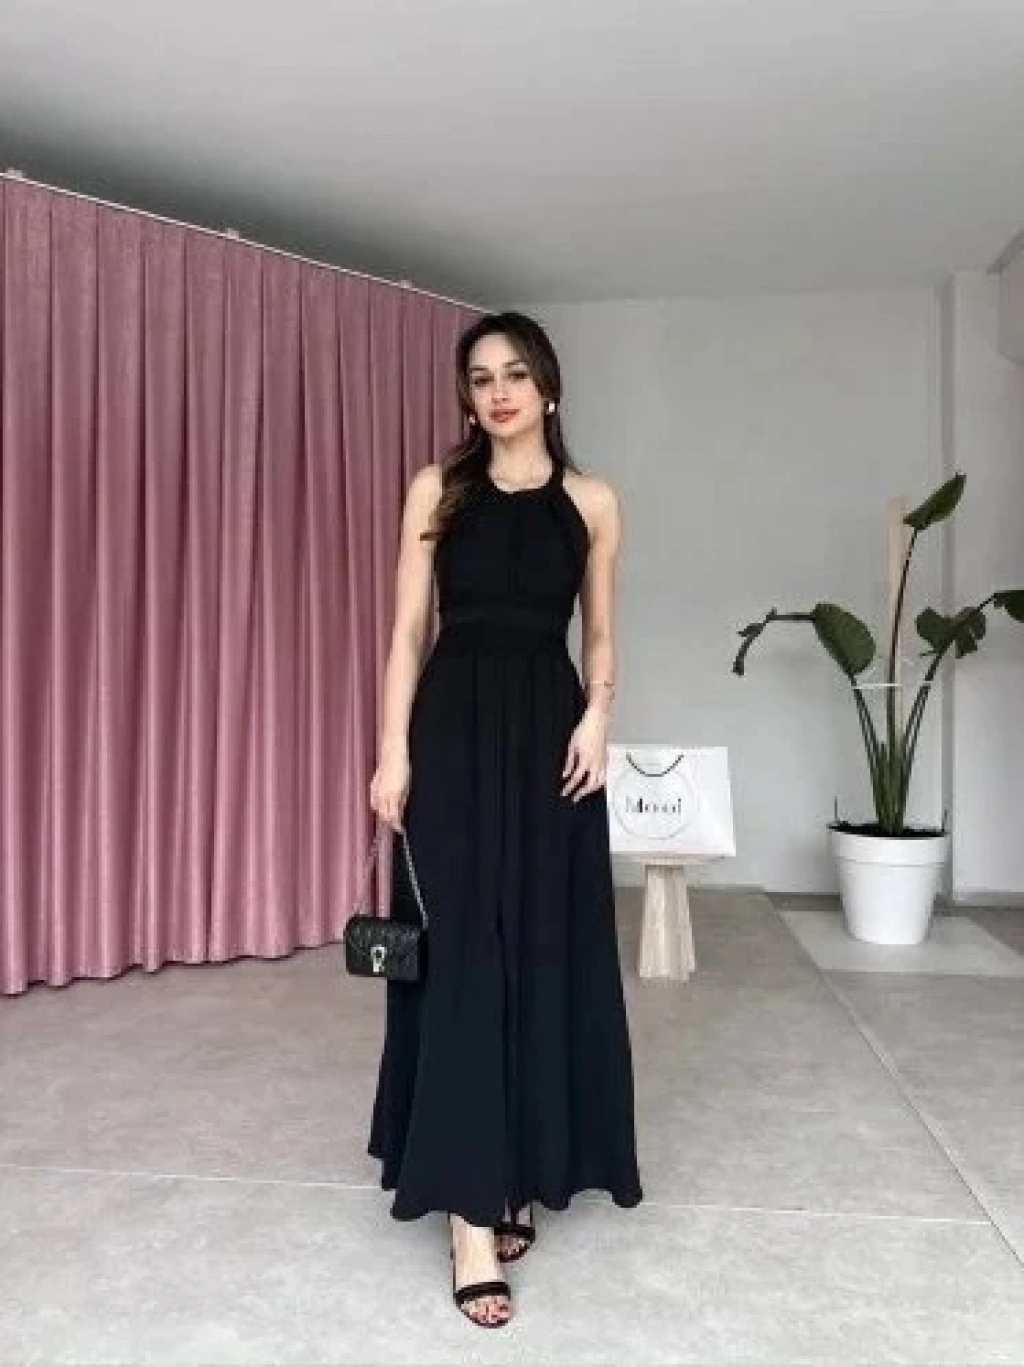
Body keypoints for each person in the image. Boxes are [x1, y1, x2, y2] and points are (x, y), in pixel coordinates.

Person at [366, 310, 643, 1328]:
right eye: (480, 377)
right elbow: (408, 631)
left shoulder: (593, 499)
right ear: (467, 396)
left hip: (550, 741)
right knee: (463, 958)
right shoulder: (437, 490)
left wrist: (598, 716)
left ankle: (515, 1161)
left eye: (516, 373)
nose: (498, 391)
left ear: (549, 387)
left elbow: (601, 631)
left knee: (538, 948)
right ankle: (470, 1216)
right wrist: (393, 750)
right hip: (450, 732)